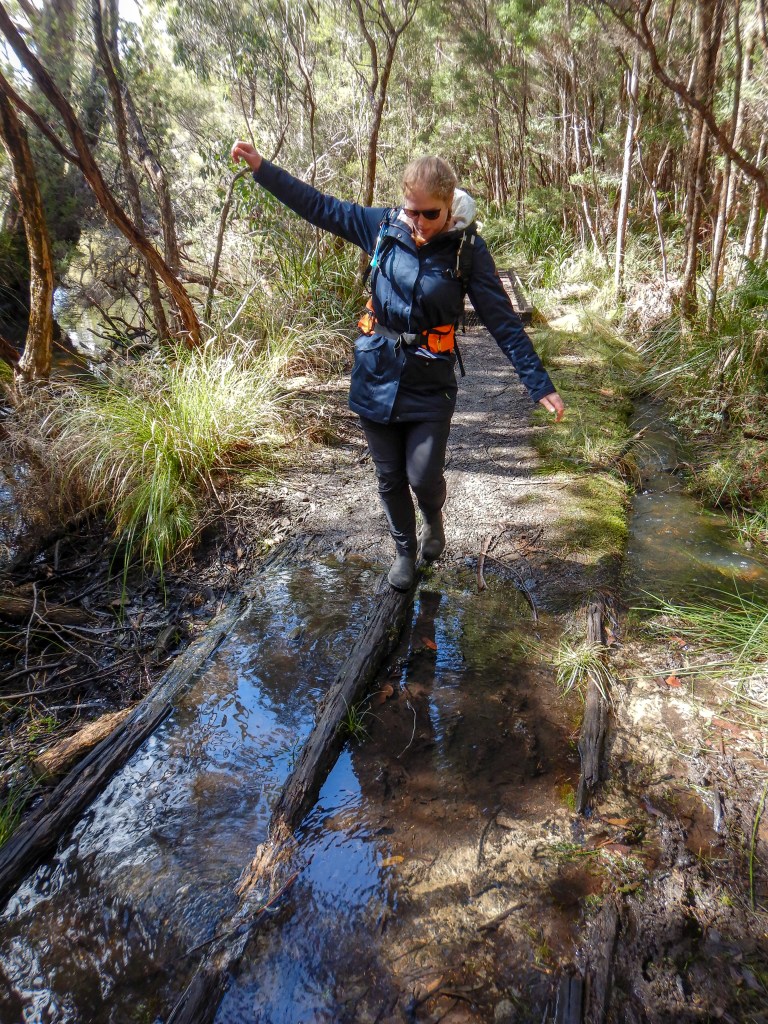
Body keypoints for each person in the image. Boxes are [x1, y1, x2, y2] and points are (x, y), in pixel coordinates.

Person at [230, 142, 565, 590]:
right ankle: (404, 552)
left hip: (430, 380)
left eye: (430, 214)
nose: (420, 223)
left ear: (449, 206)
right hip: (376, 374)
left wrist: (537, 382)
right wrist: (262, 169)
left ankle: (433, 517)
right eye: (413, 212)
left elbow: (502, 321)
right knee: (388, 476)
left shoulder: (468, 252)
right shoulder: (383, 226)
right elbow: (318, 207)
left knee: (423, 475)